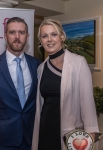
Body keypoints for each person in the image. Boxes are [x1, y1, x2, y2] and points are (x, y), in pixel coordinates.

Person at [31, 19, 99, 150]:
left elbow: (87, 102)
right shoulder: (41, 67)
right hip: (45, 129)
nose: (49, 39)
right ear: (41, 40)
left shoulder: (78, 63)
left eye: (54, 34)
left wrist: (90, 133)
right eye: (44, 36)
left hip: (70, 132)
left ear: (62, 36)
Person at [0, 17, 41, 150]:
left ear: (27, 36)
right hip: (4, 138)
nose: (17, 37)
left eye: (22, 32)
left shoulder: (37, 64)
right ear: (5, 36)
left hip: (32, 135)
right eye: (12, 32)